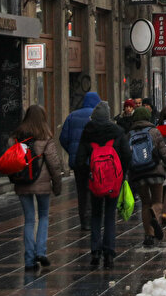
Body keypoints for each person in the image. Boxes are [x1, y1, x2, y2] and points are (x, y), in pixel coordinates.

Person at [77, 101, 131, 269]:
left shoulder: (88, 132)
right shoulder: (117, 131)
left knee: (95, 215)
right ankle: (109, 253)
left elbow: (79, 160)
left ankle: (95, 251)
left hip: (96, 181)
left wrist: (89, 174)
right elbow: (127, 155)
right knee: (109, 215)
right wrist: (121, 174)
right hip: (113, 181)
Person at [10, 105, 63, 271]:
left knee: (29, 219)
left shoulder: (16, 137)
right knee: (44, 216)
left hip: (22, 183)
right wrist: (57, 185)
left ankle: (29, 260)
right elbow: (54, 164)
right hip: (43, 184)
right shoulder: (46, 138)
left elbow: (10, 160)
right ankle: (41, 251)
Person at [127, 106, 166, 247]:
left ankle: (148, 235)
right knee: (157, 201)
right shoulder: (154, 131)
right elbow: (165, 154)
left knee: (145, 203)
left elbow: (127, 156)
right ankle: (155, 218)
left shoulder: (129, 134)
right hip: (155, 171)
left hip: (138, 174)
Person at [58, 90, 101, 230]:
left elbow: (63, 138)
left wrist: (72, 151)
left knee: (81, 190)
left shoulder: (72, 116)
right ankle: (93, 217)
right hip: (95, 160)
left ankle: (84, 220)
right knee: (95, 189)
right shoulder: (98, 116)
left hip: (77, 161)